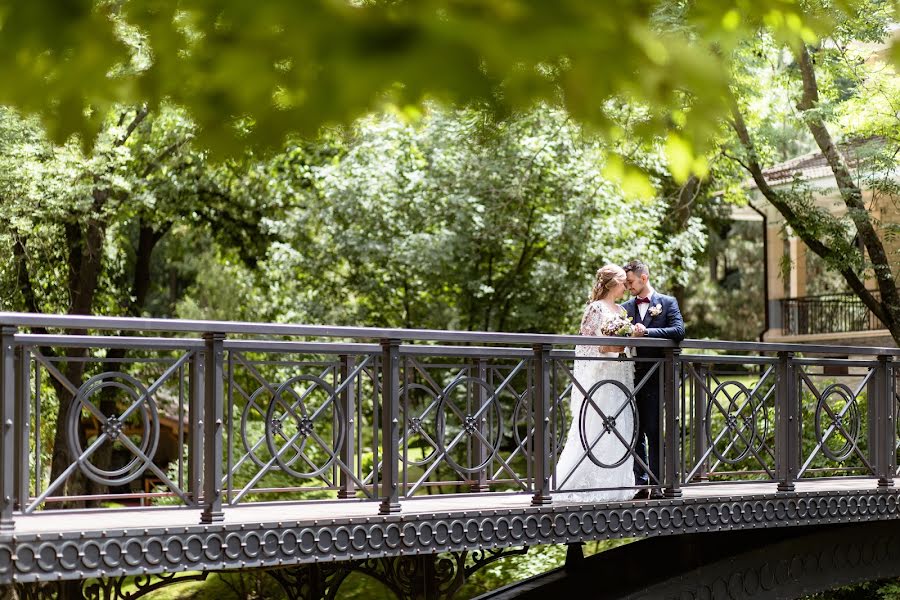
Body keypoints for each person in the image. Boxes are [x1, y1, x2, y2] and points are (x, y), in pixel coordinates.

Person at [554, 264, 644, 503]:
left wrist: (629, 337)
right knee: (598, 425)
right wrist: (624, 340)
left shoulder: (620, 309)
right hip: (603, 376)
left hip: (620, 375)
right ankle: (578, 483)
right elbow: (596, 347)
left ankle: (618, 484)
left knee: (620, 425)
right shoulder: (595, 308)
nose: (627, 285)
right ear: (613, 282)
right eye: (624, 281)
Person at [621, 260, 685, 499]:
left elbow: (678, 331)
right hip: (629, 375)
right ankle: (641, 482)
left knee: (654, 430)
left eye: (630, 282)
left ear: (644, 278)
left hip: (656, 376)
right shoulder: (625, 307)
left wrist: (647, 331)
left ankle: (658, 483)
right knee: (633, 431)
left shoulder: (667, 303)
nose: (627, 287)